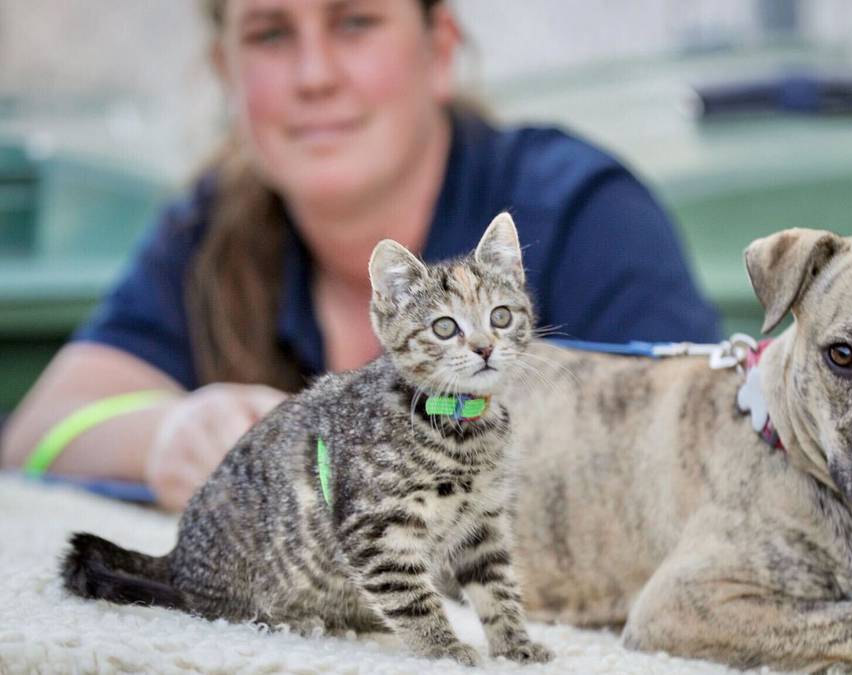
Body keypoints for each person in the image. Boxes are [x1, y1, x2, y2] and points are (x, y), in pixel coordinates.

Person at [0, 0, 721, 510]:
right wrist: (166, 437)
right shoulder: (210, 226)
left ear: (439, 49)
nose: (314, 75)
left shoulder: (573, 211)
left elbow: (701, 454)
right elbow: (31, 438)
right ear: (227, 71)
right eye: (271, 33)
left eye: (355, 21)